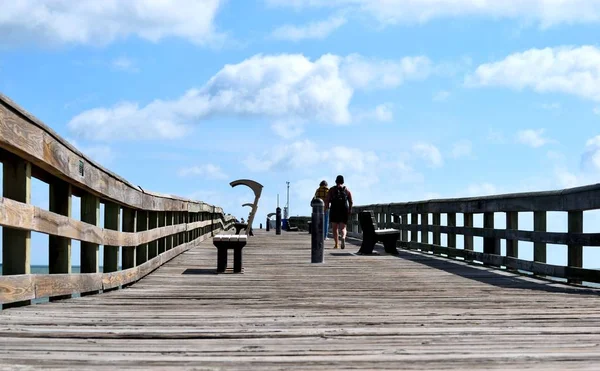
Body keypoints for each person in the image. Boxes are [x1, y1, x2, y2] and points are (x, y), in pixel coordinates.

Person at [326, 175, 353, 249]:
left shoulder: (332, 190)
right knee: (343, 228)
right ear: (343, 181)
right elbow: (350, 201)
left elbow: (327, 200)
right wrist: (350, 209)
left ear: (336, 181)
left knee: (335, 228)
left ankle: (336, 244)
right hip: (344, 209)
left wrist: (327, 207)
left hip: (334, 209)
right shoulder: (346, 190)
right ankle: (343, 237)